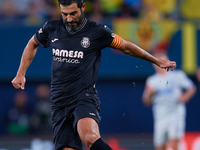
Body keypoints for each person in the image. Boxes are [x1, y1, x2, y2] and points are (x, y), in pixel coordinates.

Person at [11, 0, 176, 150]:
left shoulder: (97, 31)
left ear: (82, 8)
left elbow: (125, 46)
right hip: (59, 100)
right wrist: (20, 74)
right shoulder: (51, 28)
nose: (68, 19)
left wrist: (155, 60)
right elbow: (32, 44)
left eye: (73, 13)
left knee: (89, 136)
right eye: (64, 14)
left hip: (83, 96)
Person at [142, 52, 196, 150]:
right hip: (160, 116)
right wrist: (150, 94)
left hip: (175, 113)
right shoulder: (151, 81)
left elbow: (191, 88)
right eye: (157, 60)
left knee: (174, 141)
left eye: (162, 59)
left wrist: (185, 97)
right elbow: (146, 102)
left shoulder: (177, 75)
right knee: (160, 146)